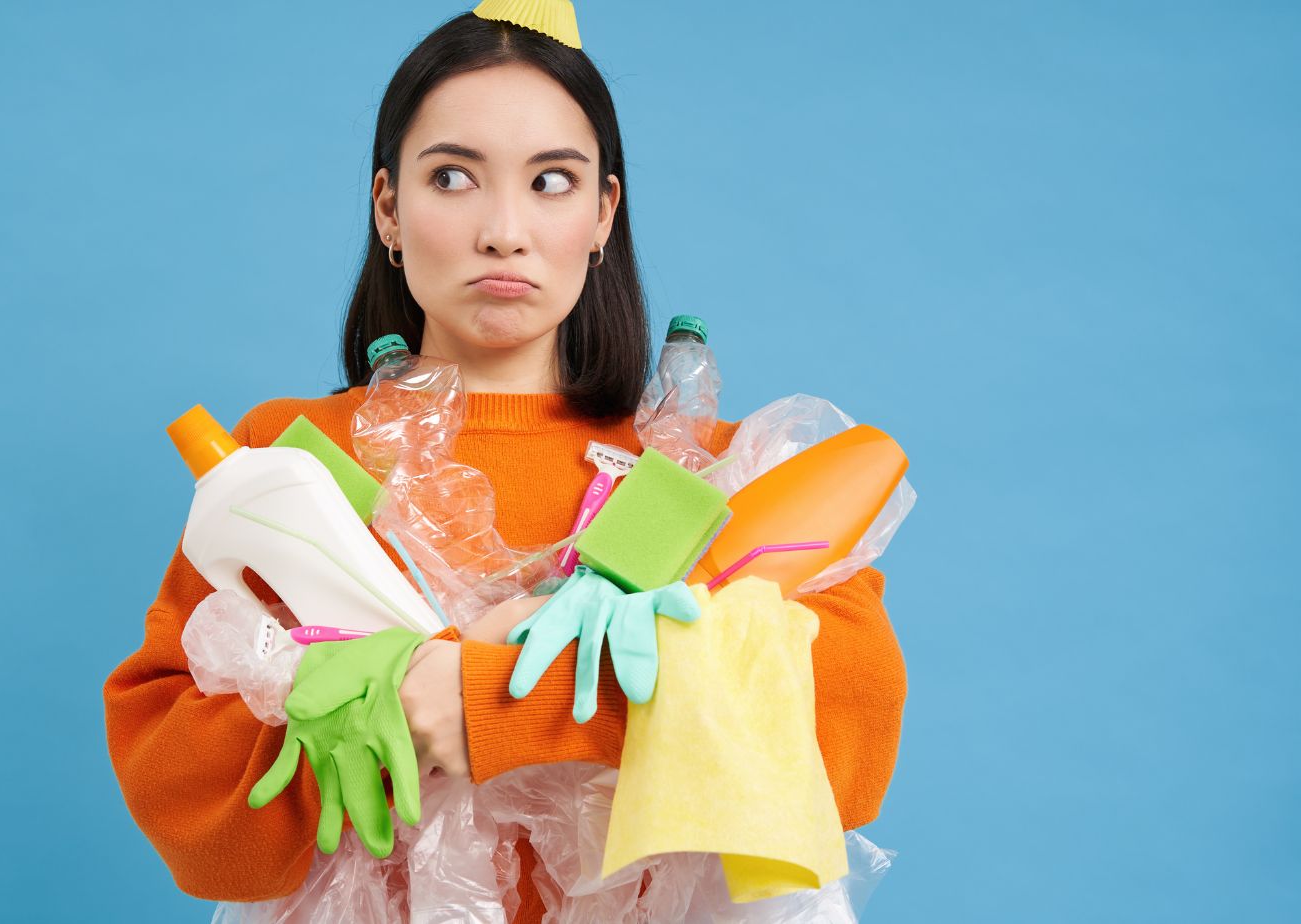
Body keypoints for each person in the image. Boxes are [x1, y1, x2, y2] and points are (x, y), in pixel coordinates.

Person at [103, 10, 906, 922]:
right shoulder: (298, 461)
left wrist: (490, 699)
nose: (504, 230)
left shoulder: (715, 477)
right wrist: (390, 715)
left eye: (551, 182)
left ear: (603, 213)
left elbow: (848, 739)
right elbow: (184, 804)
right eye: (453, 177)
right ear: (389, 209)